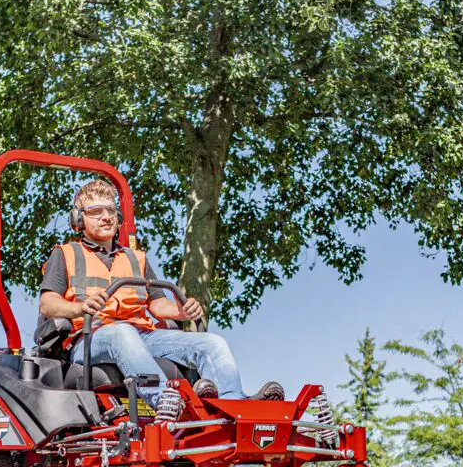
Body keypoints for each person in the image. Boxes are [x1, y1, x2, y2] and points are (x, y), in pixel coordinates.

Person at [39, 179, 284, 419]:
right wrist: (80, 307)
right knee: (122, 332)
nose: (106, 216)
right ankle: (166, 399)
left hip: (142, 336)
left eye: (111, 210)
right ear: (78, 219)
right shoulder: (66, 254)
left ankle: (233, 406)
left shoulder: (136, 258)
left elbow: (157, 304)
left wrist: (181, 311)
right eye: (96, 211)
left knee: (212, 343)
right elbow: (48, 303)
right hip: (91, 339)